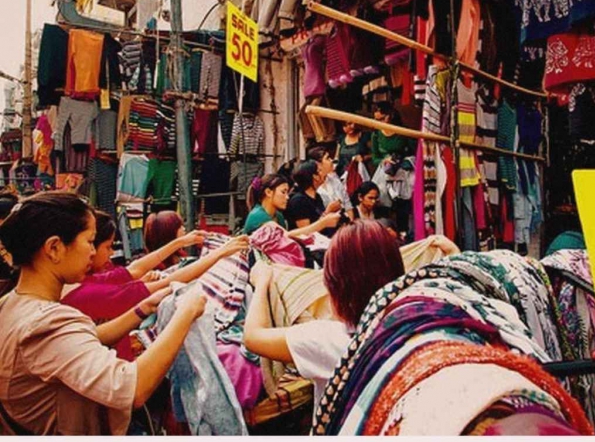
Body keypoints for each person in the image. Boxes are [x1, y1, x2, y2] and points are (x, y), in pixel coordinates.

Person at [0, 191, 208, 433]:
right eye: (89, 241)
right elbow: (133, 388)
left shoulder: (11, 304)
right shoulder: (47, 323)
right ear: (54, 248)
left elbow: (86, 339)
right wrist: (187, 312)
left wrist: (142, 309)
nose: (93, 251)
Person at [242, 220, 405, 406]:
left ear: (337, 289)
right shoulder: (411, 325)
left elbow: (253, 337)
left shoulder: (331, 341)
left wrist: (262, 283)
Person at [61, 211, 248, 358]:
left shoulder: (86, 281)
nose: (105, 253)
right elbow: (166, 282)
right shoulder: (87, 292)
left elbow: (134, 270)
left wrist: (181, 242)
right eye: (105, 246)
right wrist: (219, 254)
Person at [284, 160, 345, 235]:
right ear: (315, 176)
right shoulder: (298, 201)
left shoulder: (317, 196)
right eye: (319, 171)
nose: (323, 173)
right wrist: (328, 211)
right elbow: (306, 233)